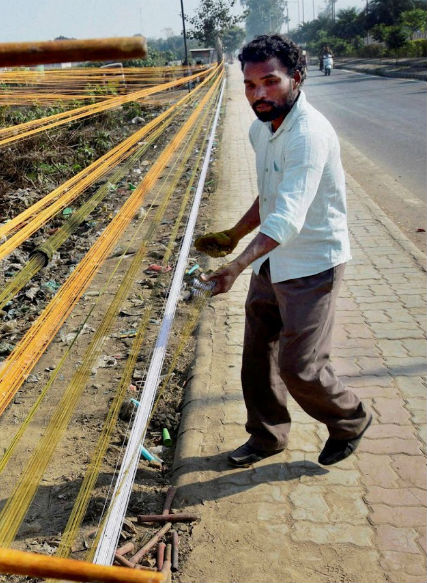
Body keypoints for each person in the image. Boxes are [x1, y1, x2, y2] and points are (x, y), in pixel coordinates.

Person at [194, 34, 371, 467]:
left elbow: (288, 217)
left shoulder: (307, 136)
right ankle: (267, 435)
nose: (259, 94)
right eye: (250, 85)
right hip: (271, 260)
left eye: (269, 82)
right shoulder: (261, 130)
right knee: (257, 356)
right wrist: (235, 234)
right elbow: (269, 197)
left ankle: (350, 419)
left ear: (295, 78)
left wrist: (235, 266)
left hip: (312, 263)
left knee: (301, 367)